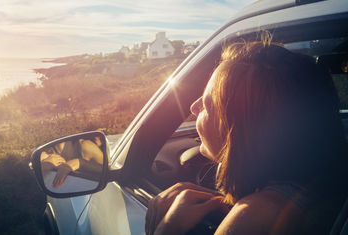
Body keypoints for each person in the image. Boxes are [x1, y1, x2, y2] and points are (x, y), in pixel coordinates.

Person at [146, 41, 348, 235]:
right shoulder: (321, 179)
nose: (193, 107)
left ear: (239, 131)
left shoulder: (254, 218)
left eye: (208, 105)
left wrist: (166, 228)